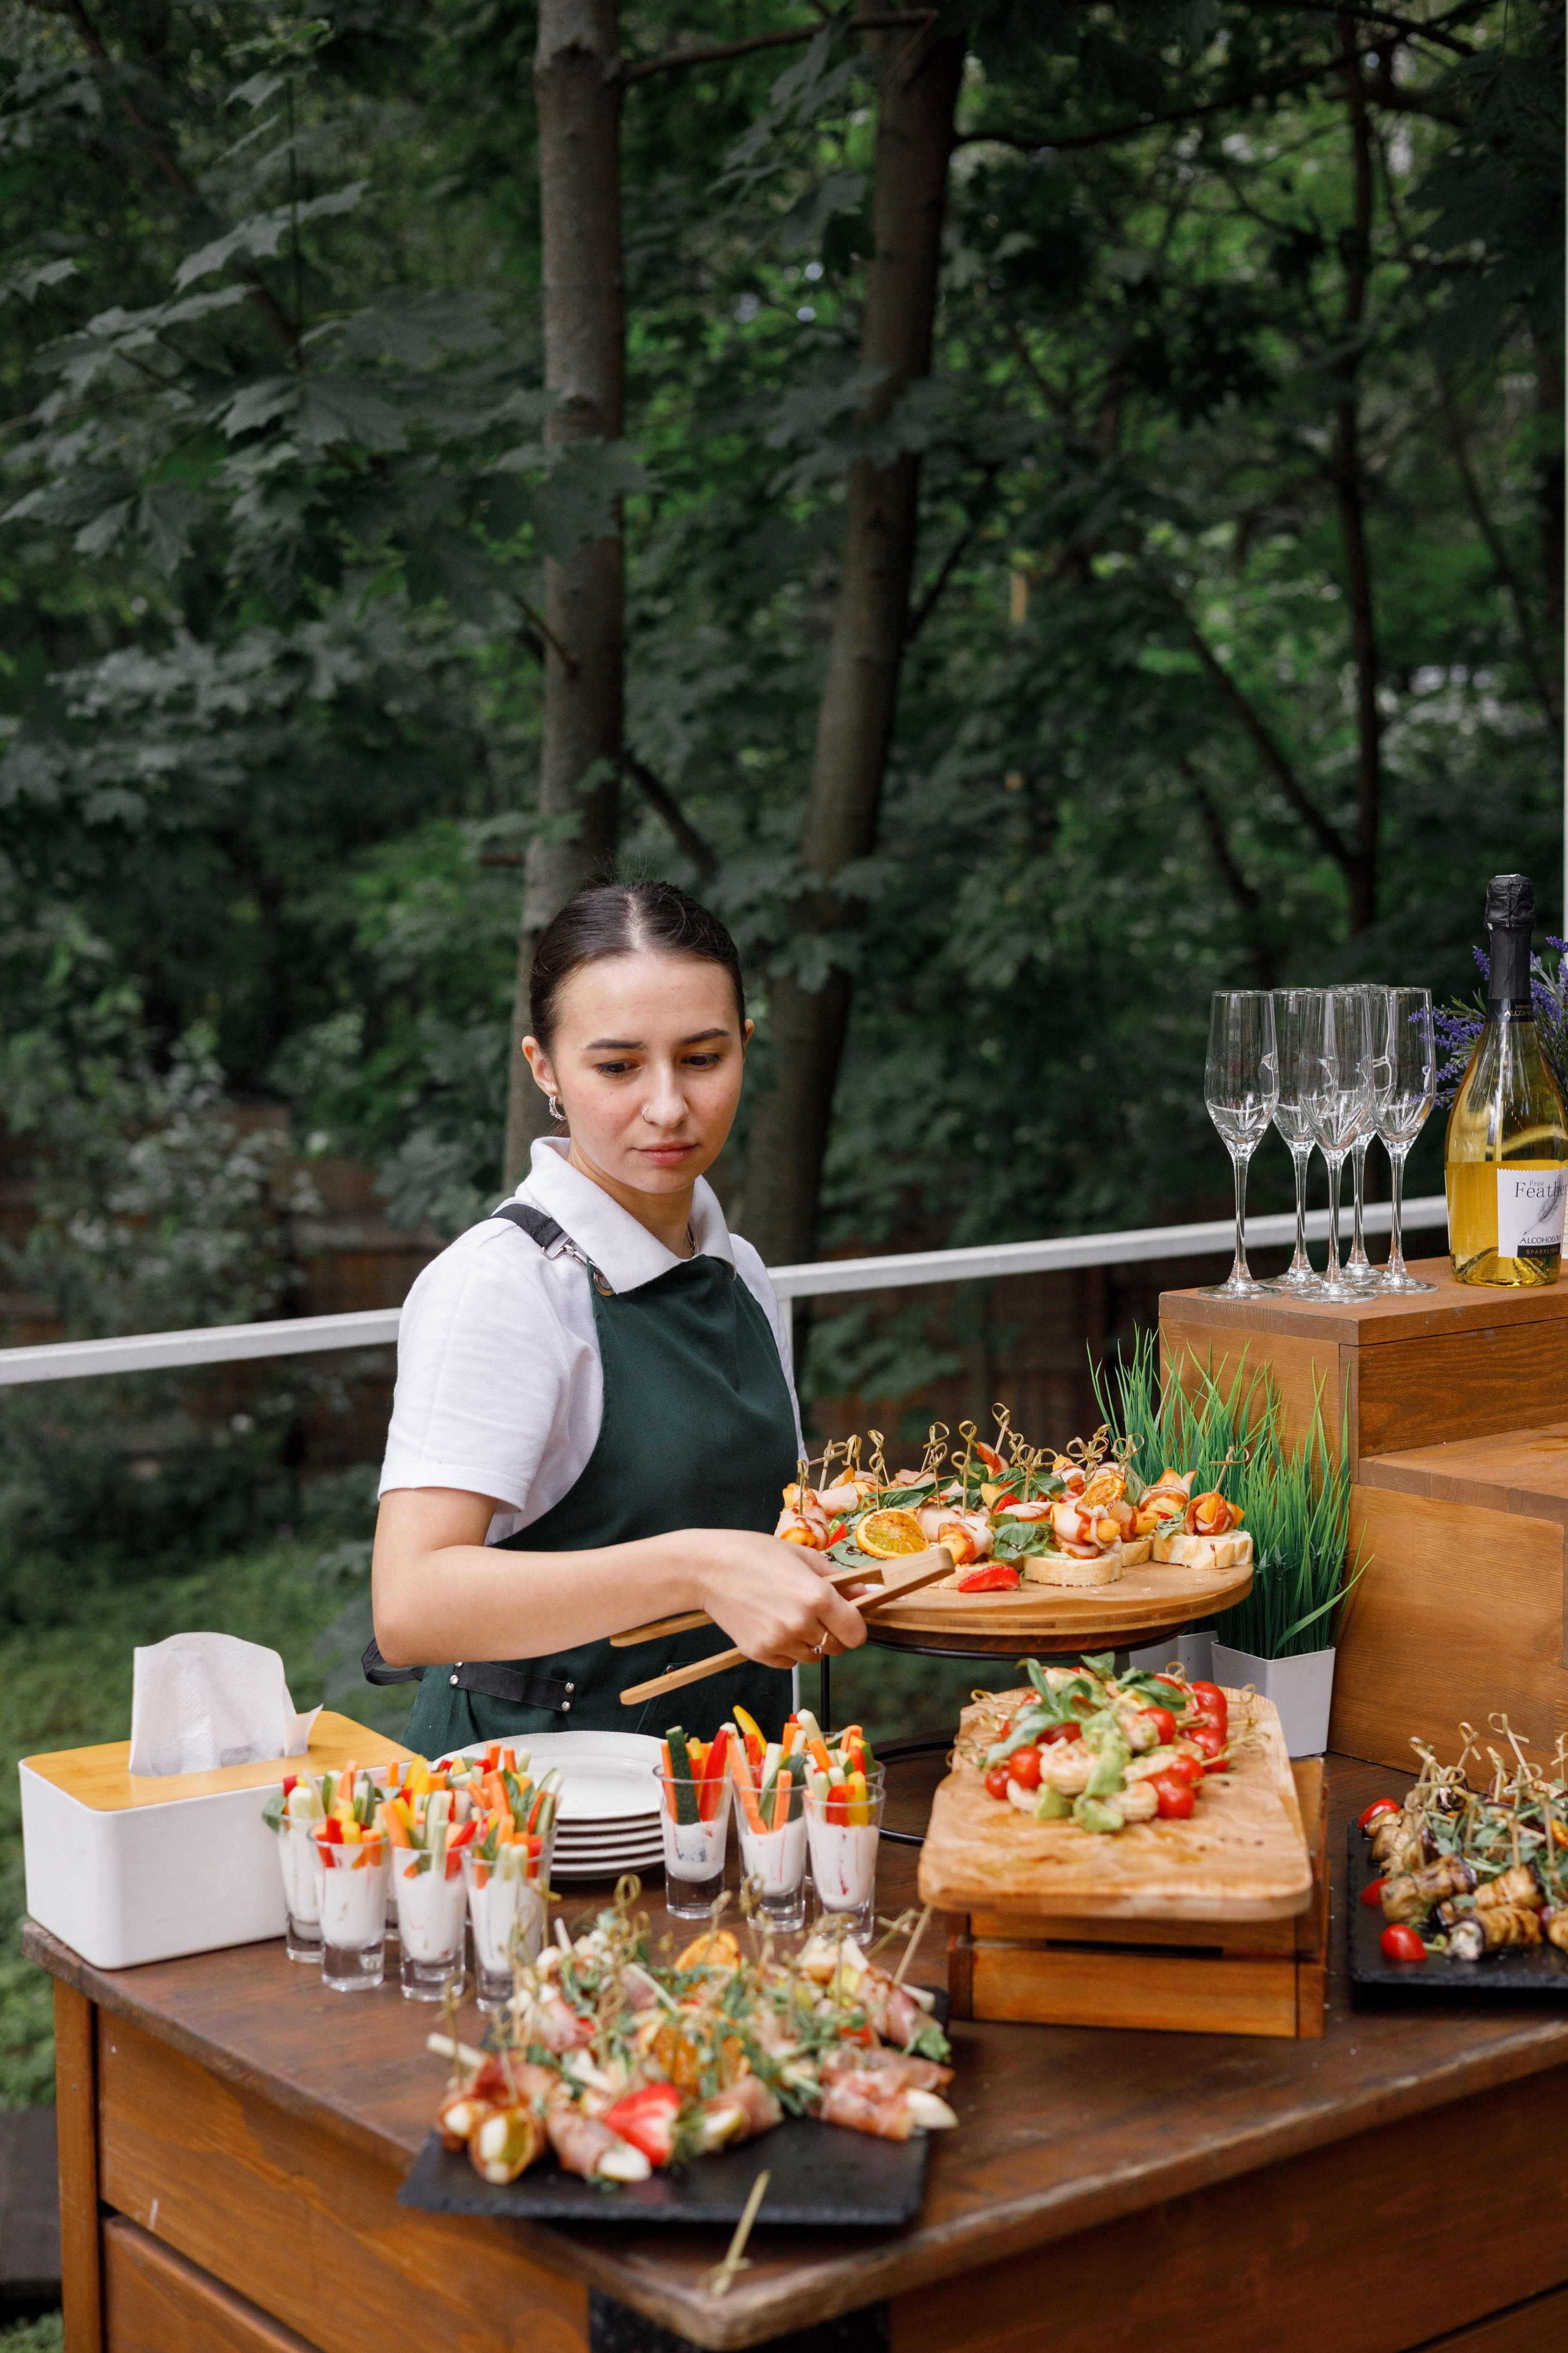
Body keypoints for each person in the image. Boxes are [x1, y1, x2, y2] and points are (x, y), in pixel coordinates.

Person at [369, 878, 866, 1752]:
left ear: (745, 1050)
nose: (668, 1106)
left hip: (729, 1792)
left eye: (703, 1058)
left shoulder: (740, 1270)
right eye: (617, 1066)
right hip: (529, 1818)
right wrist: (699, 1566)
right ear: (544, 1070)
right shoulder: (504, 1283)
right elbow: (411, 1606)